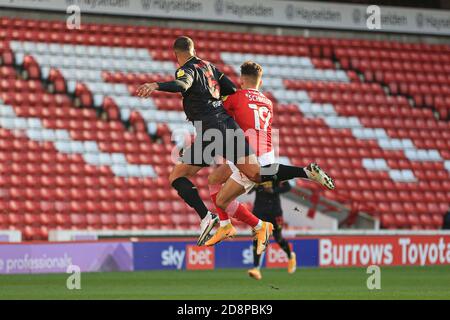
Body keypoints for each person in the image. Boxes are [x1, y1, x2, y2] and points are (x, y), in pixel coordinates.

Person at [136, 37, 273, 247]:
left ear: (176, 54)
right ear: (193, 49)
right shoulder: (210, 67)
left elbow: (182, 84)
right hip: (214, 130)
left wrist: (156, 85)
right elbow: (230, 89)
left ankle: (301, 174)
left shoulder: (185, 70)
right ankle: (209, 218)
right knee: (179, 175)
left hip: (216, 129)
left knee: (256, 173)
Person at [205, 61, 334, 252]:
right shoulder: (267, 102)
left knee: (222, 201)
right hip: (263, 151)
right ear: (260, 82)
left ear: (241, 80)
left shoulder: (237, 97)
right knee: (214, 179)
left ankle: (260, 226)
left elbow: (218, 113)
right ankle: (225, 226)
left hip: (249, 155)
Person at [248, 181, 295, 280]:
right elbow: (247, 190)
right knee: (257, 240)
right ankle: (256, 269)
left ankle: (290, 256)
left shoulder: (276, 172)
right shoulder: (256, 173)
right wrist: (252, 186)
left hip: (275, 212)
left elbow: (288, 187)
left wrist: (274, 190)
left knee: (278, 239)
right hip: (259, 212)